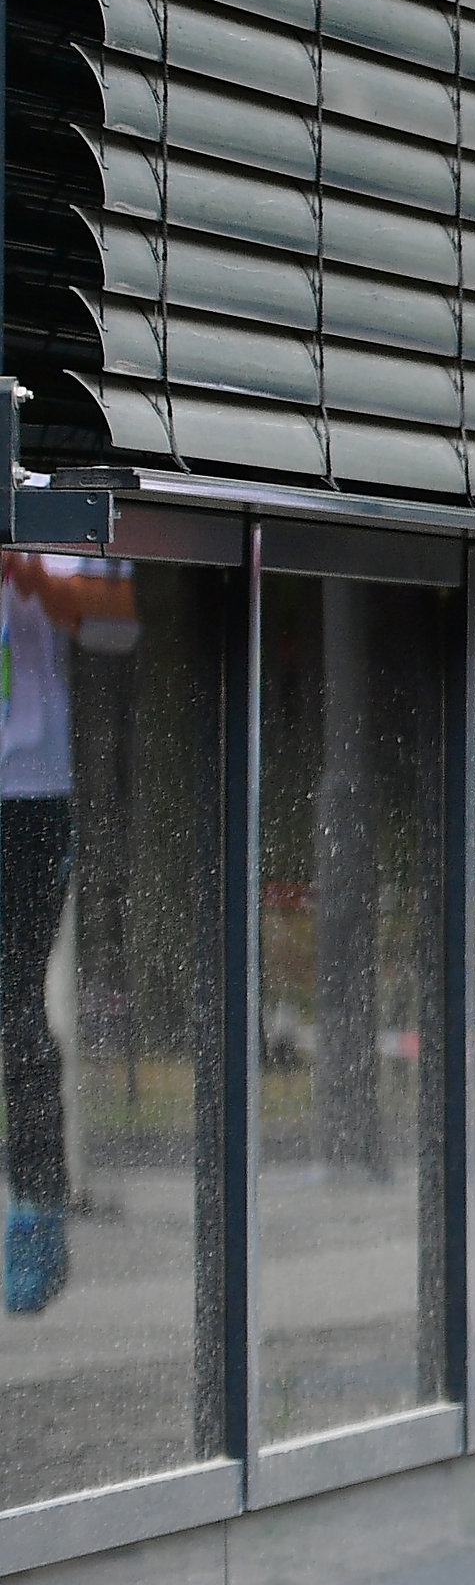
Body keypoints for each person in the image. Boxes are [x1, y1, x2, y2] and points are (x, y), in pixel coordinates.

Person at [2, 552, 130, 1317]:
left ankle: (38, 1211)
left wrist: (36, 580)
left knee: (16, 998)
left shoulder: (50, 486)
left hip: (28, 794)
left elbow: (115, 615)